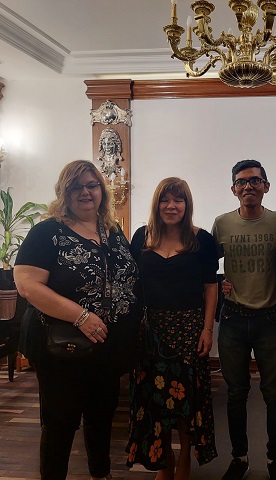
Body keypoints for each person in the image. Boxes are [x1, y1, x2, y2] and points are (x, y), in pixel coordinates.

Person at [14, 159, 139, 480]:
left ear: (102, 191)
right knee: (61, 421)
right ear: (64, 192)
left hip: (107, 346)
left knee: (101, 415)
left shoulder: (112, 231)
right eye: (76, 186)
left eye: (92, 185)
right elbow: (27, 285)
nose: (86, 192)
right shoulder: (47, 232)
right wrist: (81, 316)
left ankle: (100, 474)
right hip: (62, 346)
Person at [126, 177, 218, 480]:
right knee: (156, 402)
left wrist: (207, 329)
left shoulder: (202, 240)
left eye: (178, 200)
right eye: (165, 200)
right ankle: (163, 462)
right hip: (150, 331)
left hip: (189, 329)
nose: (171, 206)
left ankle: (185, 461)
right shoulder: (141, 237)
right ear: (157, 204)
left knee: (186, 403)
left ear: (187, 205)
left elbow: (210, 286)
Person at [212, 159, 276, 480]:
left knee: (274, 394)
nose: (248, 186)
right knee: (236, 393)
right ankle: (239, 457)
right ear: (233, 189)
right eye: (241, 182)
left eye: (255, 181)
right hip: (233, 318)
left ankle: (275, 460)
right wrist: (220, 283)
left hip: (271, 318)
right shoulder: (222, 224)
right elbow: (205, 266)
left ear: (266, 186)